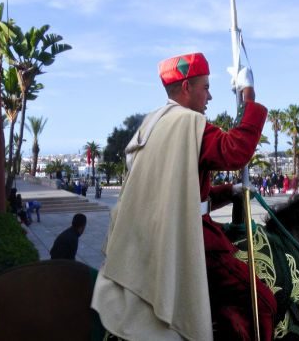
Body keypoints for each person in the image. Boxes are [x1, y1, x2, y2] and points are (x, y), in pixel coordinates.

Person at [91, 52, 276, 341]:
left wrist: (229, 192)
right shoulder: (189, 124)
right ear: (187, 87)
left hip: (146, 237)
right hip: (192, 238)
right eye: (205, 87)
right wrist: (248, 95)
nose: (210, 96)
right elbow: (235, 151)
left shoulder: (151, 124)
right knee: (262, 304)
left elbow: (177, 194)